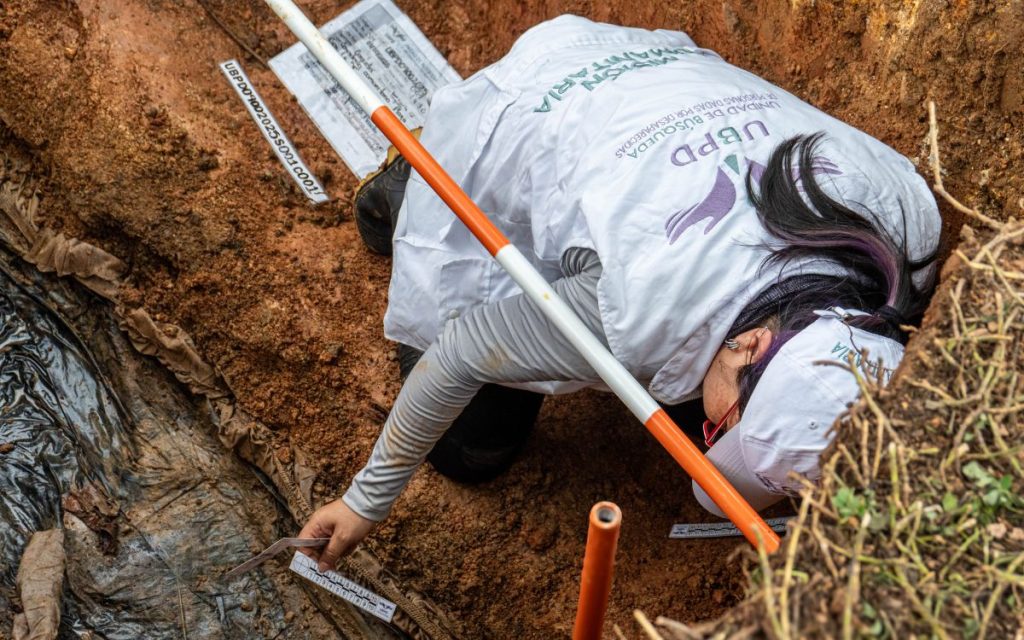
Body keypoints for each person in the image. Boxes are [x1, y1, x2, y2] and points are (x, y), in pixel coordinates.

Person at [300, 15, 941, 570]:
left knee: (692, 411)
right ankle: (411, 176)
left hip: (669, 93)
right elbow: (463, 348)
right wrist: (366, 501)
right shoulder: (639, 307)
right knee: (470, 447)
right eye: (727, 427)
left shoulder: (906, 239)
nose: (716, 435)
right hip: (549, 93)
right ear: (751, 344)